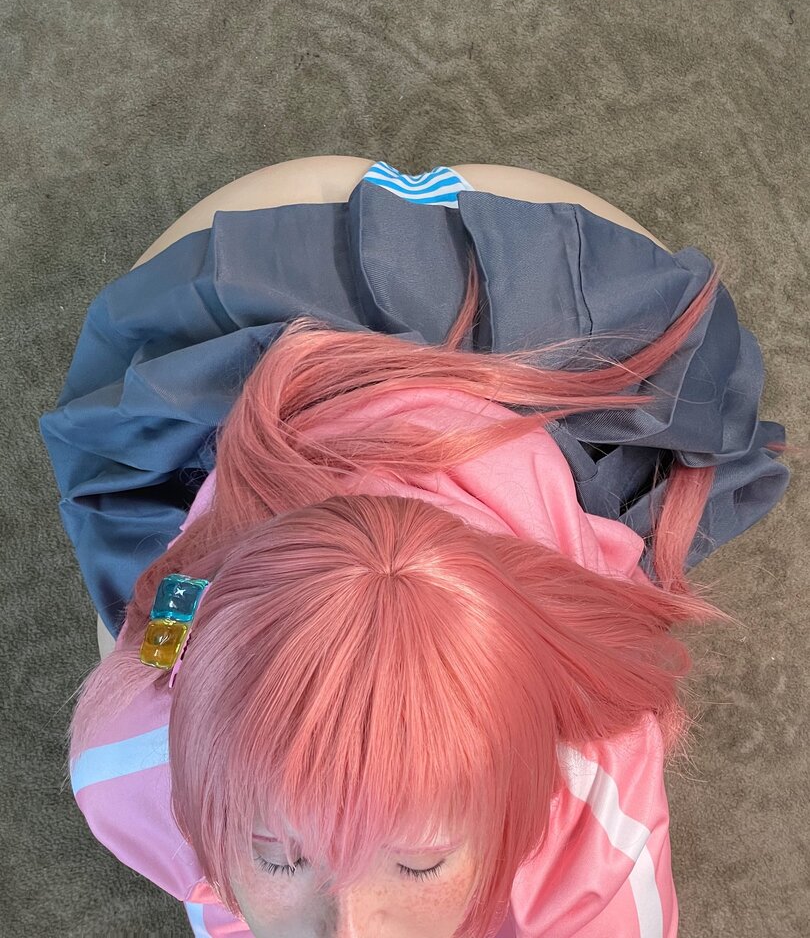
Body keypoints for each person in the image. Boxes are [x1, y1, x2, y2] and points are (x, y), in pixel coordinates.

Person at [42, 157, 791, 937]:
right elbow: (163, 613)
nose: (349, 930)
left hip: (472, 415)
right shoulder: (127, 761)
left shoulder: (593, 785)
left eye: (419, 862)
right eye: (277, 854)